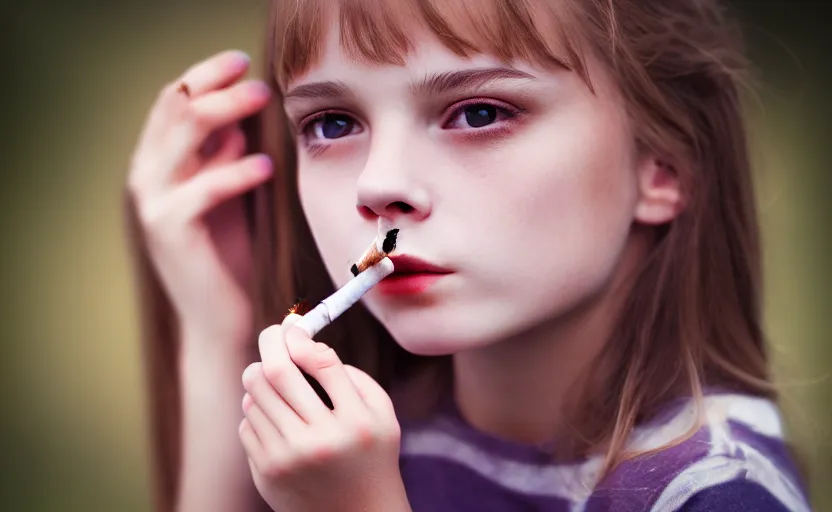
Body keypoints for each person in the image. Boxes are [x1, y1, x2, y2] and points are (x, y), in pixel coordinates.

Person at [124, 0, 812, 510]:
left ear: (663, 163)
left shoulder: (715, 491)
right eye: (332, 123)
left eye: (479, 112)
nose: (379, 184)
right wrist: (218, 335)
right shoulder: (367, 437)